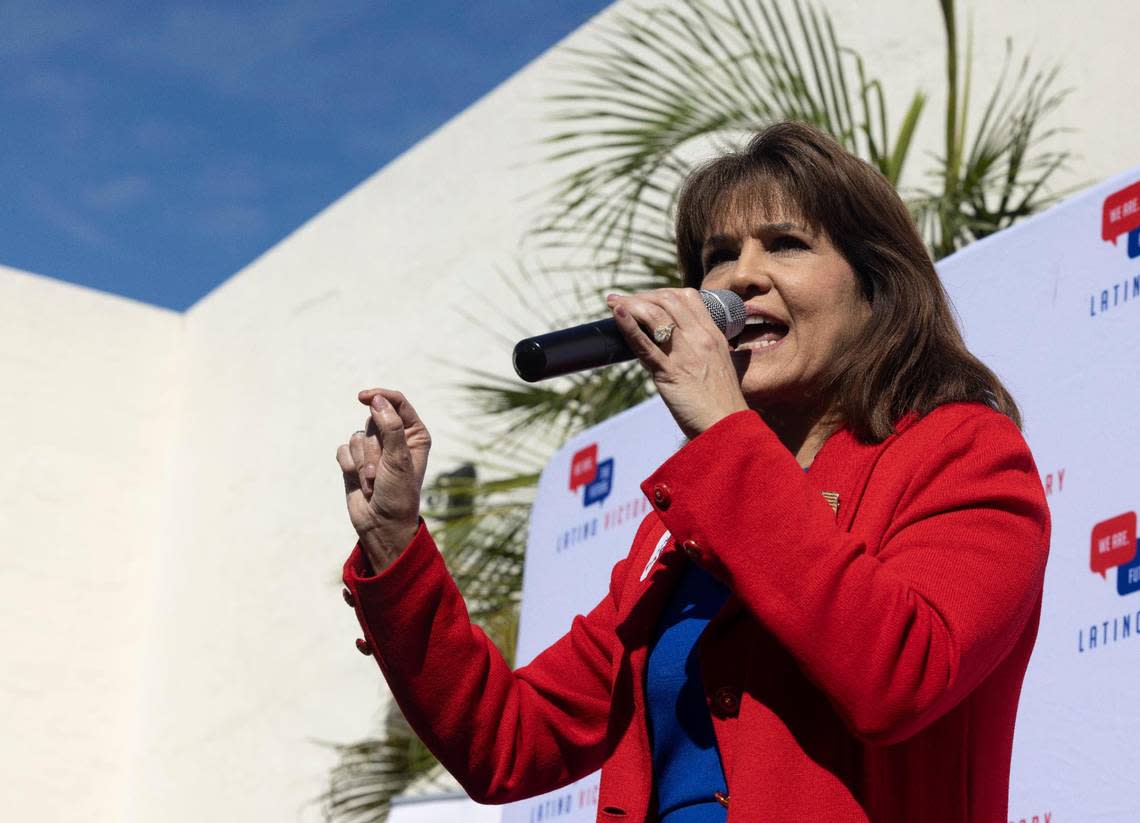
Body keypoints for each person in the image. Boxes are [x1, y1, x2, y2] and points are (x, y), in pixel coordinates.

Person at [334, 122, 1050, 823]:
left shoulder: (962, 453)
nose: (741, 277)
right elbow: (511, 742)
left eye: (786, 244)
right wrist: (395, 544)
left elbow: (898, 675)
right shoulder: (680, 534)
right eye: (718, 256)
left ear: (875, 287)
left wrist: (723, 429)